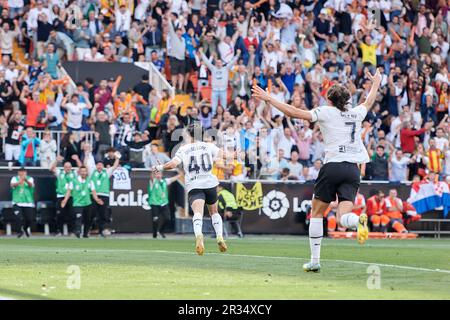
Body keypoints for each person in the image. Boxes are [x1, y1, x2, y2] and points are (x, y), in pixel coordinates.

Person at [252, 68, 383, 273]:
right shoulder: (356, 113)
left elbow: (294, 112)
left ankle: (315, 260)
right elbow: (368, 102)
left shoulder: (325, 111)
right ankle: (358, 221)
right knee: (342, 217)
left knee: (316, 213)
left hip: (332, 166)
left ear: (330, 100)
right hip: (352, 169)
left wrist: (269, 99)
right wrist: (376, 83)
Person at [151, 122, 227, 255]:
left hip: (194, 184)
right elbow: (227, 155)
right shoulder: (209, 146)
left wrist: (160, 167)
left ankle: (199, 236)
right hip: (209, 183)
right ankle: (220, 236)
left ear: (190, 135)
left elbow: (172, 164)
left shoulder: (184, 149)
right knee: (214, 212)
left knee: (198, 212)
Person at [61, 165, 103, 238]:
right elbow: (69, 191)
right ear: (79, 172)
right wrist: (65, 200)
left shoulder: (90, 181)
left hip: (87, 203)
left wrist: (97, 199)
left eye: (85, 171)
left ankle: (85, 234)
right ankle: (77, 231)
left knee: (88, 220)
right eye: (82, 171)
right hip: (77, 203)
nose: (83, 173)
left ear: (87, 172)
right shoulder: (74, 181)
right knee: (78, 218)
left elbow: (93, 191)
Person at [88, 157, 119, 237]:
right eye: (98, 165)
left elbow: (115, 166)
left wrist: (117, 158)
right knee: (92, 213)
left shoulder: (106, 172)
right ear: (96, 166)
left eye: (101, 165)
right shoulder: (92, 172)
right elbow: (85, 165)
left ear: (103, 166)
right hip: (94, 195)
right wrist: (86, 154)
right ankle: (88, 229)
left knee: (102, 214)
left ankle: (101, 231)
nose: (99, 166)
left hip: (104, 195)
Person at [148, 170, 179, 238]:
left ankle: (161, 231)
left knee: (168, 219)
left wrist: (181, 174)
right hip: (154, 203)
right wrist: (154, 170)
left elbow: (173, 179)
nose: (158, 175)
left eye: (159, 174)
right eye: (157, 174)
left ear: (162, 175)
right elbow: (151, 176)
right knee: (155, 219)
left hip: (164, 203)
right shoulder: (153, 181)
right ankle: (155, 234)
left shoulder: (165, 181)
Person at [50, 158, 76, 236]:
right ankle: (59, 231)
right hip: (61, 196)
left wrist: (77, 159)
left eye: (69, 167)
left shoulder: (75, 173)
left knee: (72, 214)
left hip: (71, 196)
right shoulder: (60, 173)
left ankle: (72, 231)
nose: (67, 168)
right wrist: (56, 161)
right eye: (66, 166)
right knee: (60, 214)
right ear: (64, 167)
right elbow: (52, 168)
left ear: (71, 167)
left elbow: (83, 168)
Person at [10, 167, 35, 238]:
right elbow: (12, 185)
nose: (22, 173)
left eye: (24, 172)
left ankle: (25, 228)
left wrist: (25, 180)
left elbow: (31, 185)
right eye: (21, 171)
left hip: (27, 202)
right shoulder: (14, 178)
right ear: (18, 172)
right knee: (19, 217)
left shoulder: (30, 178)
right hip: (17, 201)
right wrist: (19, 182)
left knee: (29, 219)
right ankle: (20, 231)